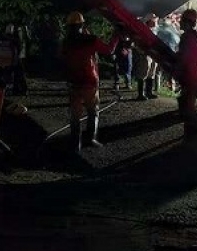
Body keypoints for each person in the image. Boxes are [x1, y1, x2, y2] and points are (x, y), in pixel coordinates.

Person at [62, 11, 119, 152]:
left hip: (73, 82)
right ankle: (91, 139)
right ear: (82, 24)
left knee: (75, 115)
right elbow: (109, 50)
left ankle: (76, 144)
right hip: (89, 81)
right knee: (93, 111)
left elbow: (62, 59)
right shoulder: (90, 40)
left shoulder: (65, 42)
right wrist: (117, 35)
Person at [175, 8, 197, 138]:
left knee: (188, 104)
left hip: (191, 74)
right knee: (186, 101)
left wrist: (177, 69)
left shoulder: (188, 37)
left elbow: (185, 57)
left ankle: (195, 132)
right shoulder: (195, 37)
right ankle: (193, 130)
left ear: (187, 22)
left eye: (182, 20)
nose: (180, 22)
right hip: (194, 73)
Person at [133, 13, 160, 100]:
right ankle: (141, 94)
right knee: (143, 72)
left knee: (151, 73)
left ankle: (149, 92)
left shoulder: (154, 30)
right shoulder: (142, 29)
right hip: (144, 53)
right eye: (154, 20)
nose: (156, 21)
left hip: (153, 53)